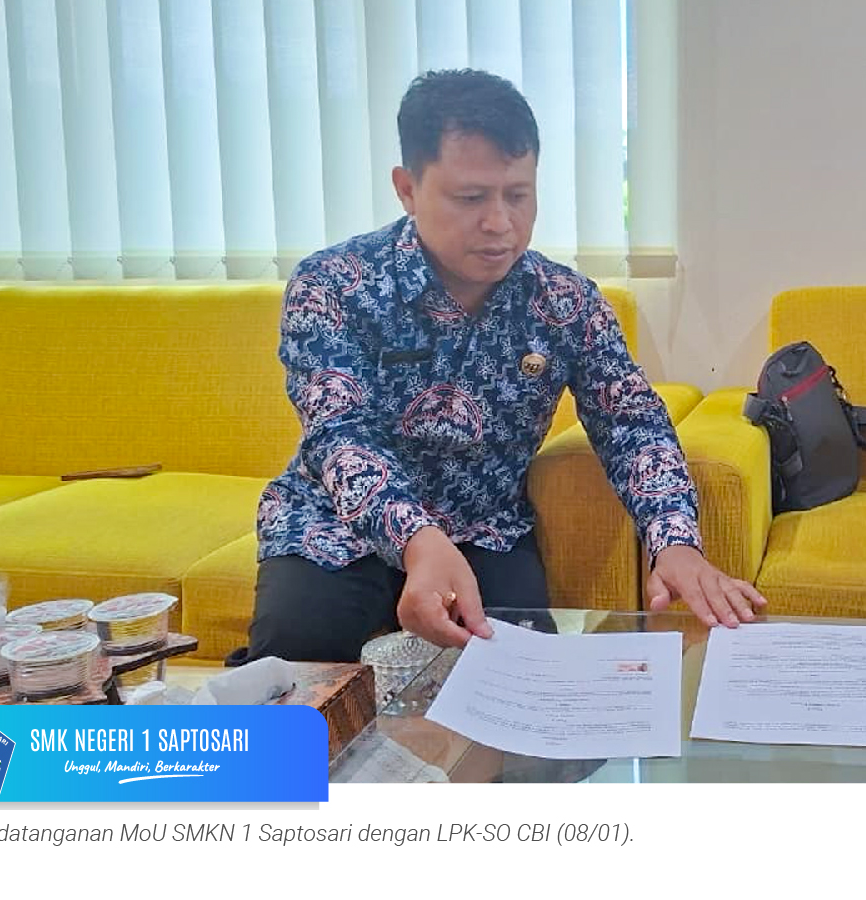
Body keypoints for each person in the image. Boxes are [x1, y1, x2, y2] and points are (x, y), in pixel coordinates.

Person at [242, 69, 764, 662]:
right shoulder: (332, 285)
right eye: (471, 198)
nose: (499, 223)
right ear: (407, 188)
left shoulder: (564, 301)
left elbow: (633, 422)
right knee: (293, 669)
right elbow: (340, 434)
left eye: (518, 195)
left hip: (483, 532)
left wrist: (674, 540)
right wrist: (417, 540)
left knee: (521, 681)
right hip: (335, 528)